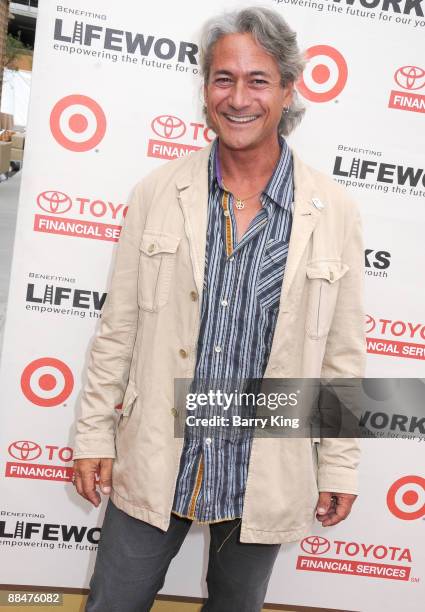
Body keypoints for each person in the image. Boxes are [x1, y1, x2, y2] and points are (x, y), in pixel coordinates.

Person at [72, 6, 366, 612]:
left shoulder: (332, 212)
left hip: (264, 461)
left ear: (288, 89)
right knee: (112, 604)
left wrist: (339, 467)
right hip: (158, 452)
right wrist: (92, 433)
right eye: (222, 79)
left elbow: (341, 357)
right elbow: (117, 331)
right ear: (205, 89)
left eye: (258, 80)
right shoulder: (158, 193)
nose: (238, 98)